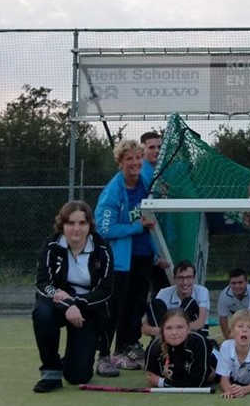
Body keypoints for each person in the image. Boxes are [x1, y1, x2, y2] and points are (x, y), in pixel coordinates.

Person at [32, 201, 115, 392]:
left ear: (89, 225)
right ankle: (51, 373)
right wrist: (67, 304)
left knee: (78, 376)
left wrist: (77, 303)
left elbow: (106, 289)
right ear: (62, 225)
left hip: (87, 309)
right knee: (42, 314)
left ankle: (70, 362)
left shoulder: (102, 249)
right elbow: (43, 283)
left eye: (82, 223)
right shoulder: (51, 246)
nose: (76, 229)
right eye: (70, 223)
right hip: (57, 304)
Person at [95, 139, 158, 370]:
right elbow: (103, 229)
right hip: (121, 260)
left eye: (137, 157)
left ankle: (126, 348)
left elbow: (155, 217)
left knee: (137, 304)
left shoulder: (146, 182)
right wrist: (136, 227)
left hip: (144, 255)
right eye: (129, 158)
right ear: (120, 163)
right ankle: (103, 355)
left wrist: (158, 250)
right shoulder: (113, 191)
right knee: (115, 305)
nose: (135, 163)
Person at [144, 308, 215, 388]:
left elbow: (198, 382)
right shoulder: (155, 346)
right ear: (162, 330)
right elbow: (152, 380)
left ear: (188, 329)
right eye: (169, 328)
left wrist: (162, 382)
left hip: (214, 354)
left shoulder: (199, 342)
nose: (174, 332)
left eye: (180, 327)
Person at [142, 261, 210, 339]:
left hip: (193, 335)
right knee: (155, 304)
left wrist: (175, 330)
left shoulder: (202, 291)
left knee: (189, 302)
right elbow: (144, 327)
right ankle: (165, 344)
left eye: (189, 277)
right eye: (181, 278)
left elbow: (200, 322)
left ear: (194, 278)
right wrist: (160, 331)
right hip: (166, 337)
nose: (185, 282)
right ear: (174, 279)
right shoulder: (164, 293)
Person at [139, 131, 171, 295]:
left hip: (160, 241)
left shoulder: (160, 171)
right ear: (142, 150)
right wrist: (155, 254)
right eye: (152, 147)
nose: (157, 151)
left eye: (159, 147)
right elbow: (143, 216)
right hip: (149, 248)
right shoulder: (142, 175)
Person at [217, 268, 250, 340]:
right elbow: (223, 318)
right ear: (229, 283)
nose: (237, 286)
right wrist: (228, 338)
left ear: (247, 282)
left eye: (240, 282)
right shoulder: (224, 295)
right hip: (238, 322)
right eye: (233, 283)